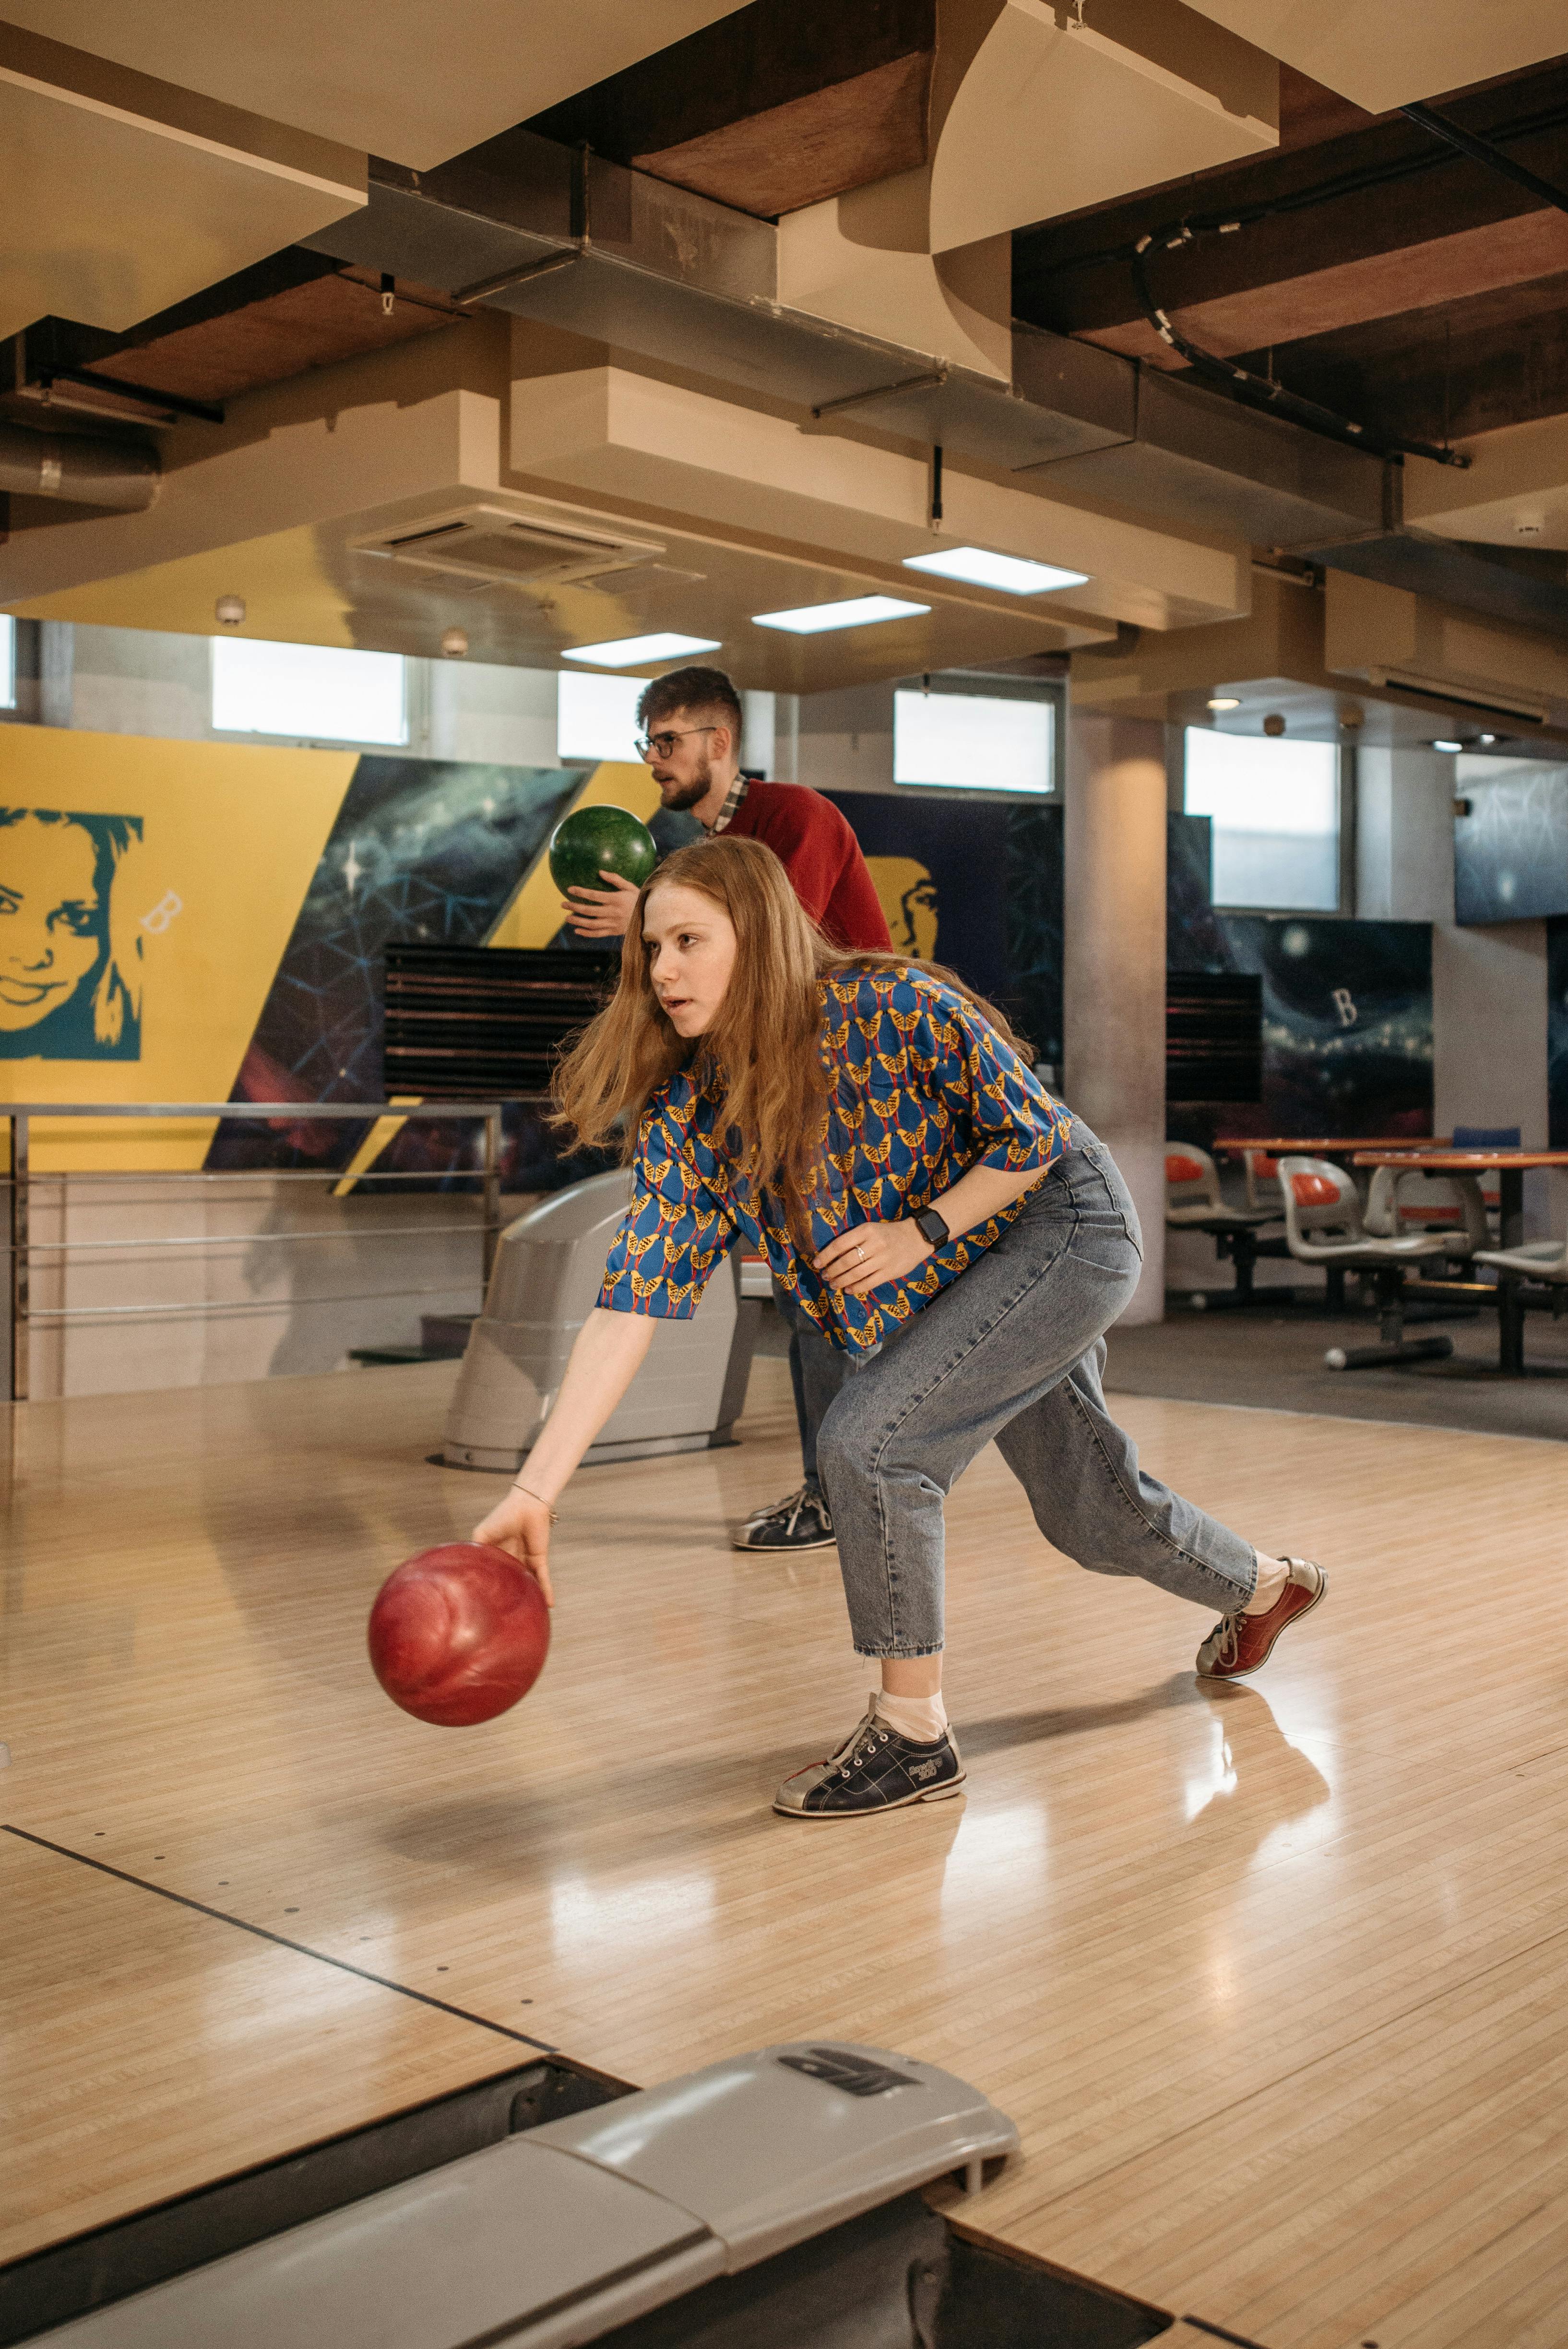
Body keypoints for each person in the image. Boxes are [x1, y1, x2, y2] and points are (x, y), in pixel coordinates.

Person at [477, 835, 1326, 1821]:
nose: (662, 970)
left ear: (754, 936)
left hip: (1061, 1229)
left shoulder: (890, 1007)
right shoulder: (691, 1106)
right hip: (954, 1273)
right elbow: (629, 1303)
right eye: (649, 951)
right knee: (1087, 1507)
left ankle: (913, 1735)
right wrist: (536, 1490)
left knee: (871, 1444)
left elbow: (1032, 1140)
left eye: (687, 941)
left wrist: (918, 1232)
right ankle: (1264, 1587)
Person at [560, 664, 892, 1558]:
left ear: (720, 741)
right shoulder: (695, 859)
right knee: (817, 1294)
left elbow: (789, 955)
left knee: (830, 1293)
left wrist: (645, 918)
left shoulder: (797, 821)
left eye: (668, 743)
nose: (655, 763)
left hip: (858, 1098)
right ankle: (849, 1491)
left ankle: (848, 1495)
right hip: (782, 1092)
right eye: (648, 745)